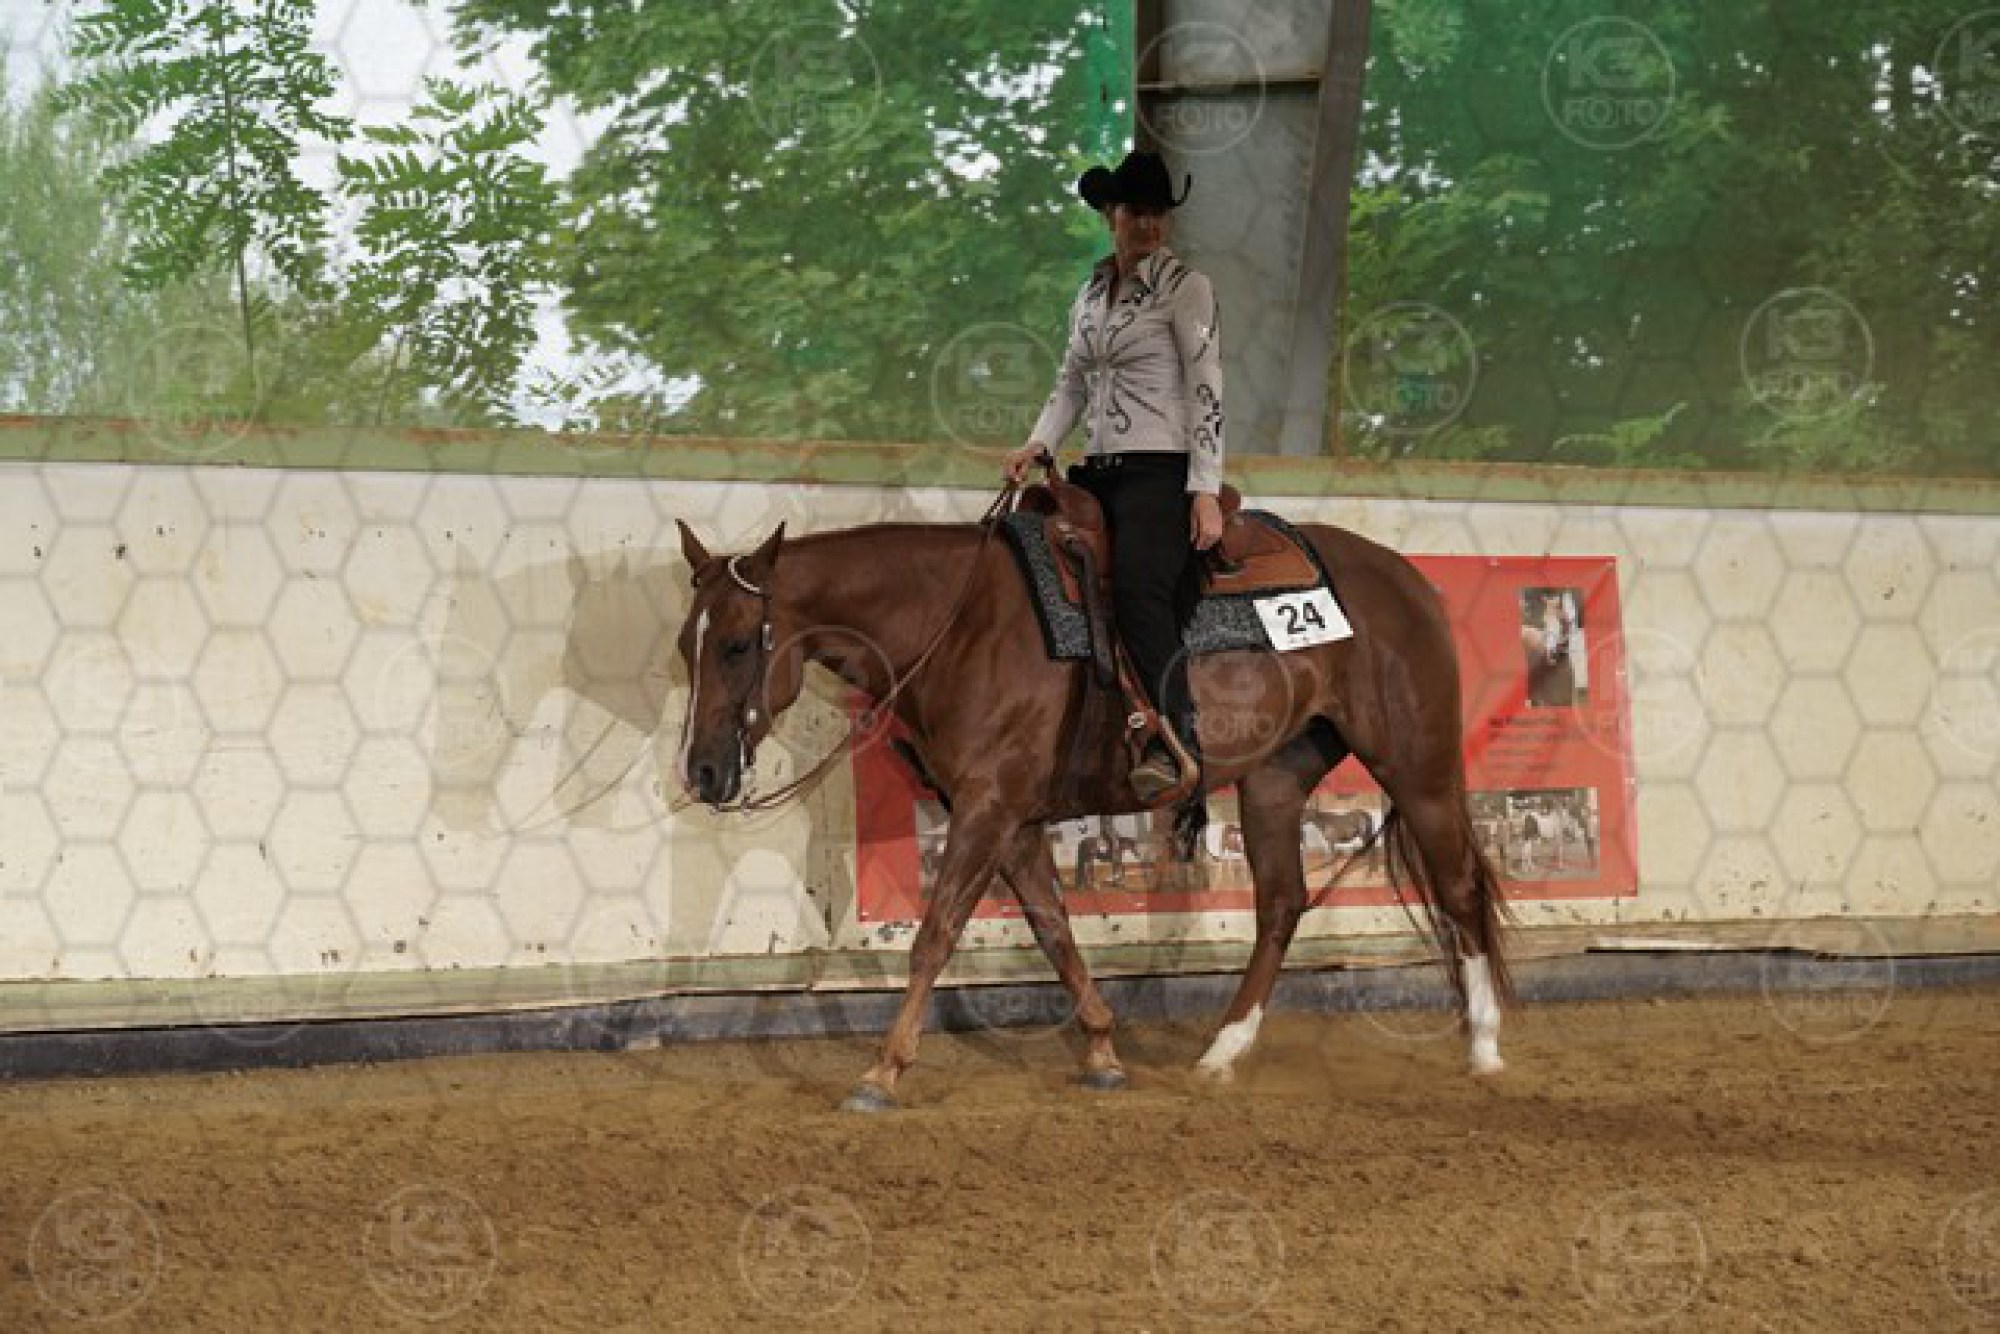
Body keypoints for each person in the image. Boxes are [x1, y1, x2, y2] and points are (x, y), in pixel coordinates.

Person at [1004, 148, 1226, 802]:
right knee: (1028, 561)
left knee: (1138, 589)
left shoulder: (1187, 288)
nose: (1149, 225)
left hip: (1160, 471)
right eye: (1136, 212)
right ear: (1111, 215)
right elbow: (1070, 383)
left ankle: (1176, 738)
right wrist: (1038, 442)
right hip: (1097, 471)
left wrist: (1204, 489)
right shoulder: (1089, 296)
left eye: (1159, 213)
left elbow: (1207, 385)